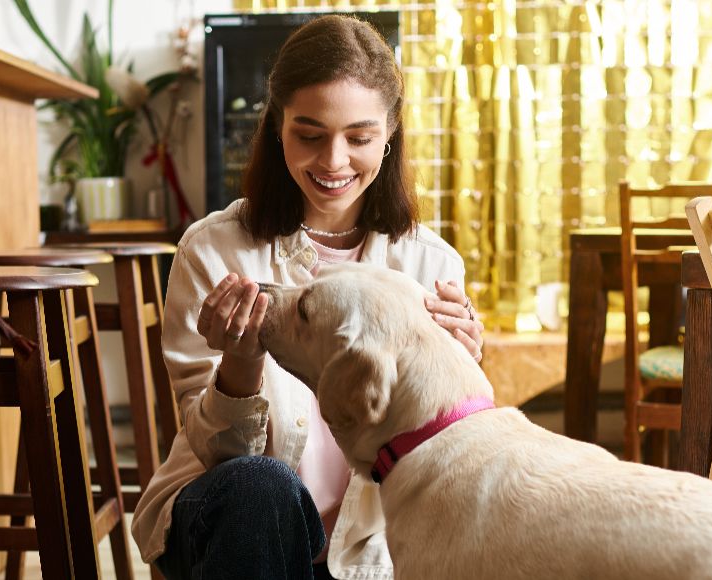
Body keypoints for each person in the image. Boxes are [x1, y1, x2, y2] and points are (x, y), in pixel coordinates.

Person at [130, 15, 484, 580]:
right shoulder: (213, 250)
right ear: (277, 126)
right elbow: (217, 453)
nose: (334, 161)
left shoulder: (431, 265)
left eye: (360, 138)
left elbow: (445, 459)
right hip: (232, 526)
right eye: (310, 134)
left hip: (366, 550)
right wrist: (240, 366)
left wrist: (459, 380)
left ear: (391, 132)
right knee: (261, 486)